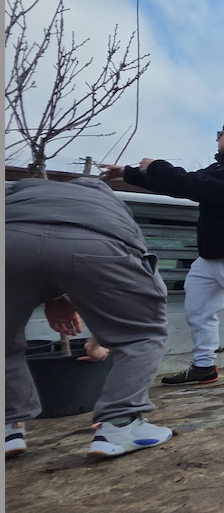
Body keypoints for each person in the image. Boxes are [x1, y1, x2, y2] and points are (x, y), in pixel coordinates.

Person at [102, 120, 224, 385]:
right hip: (212, 254)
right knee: (197, 310)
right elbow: (182, 185)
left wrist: (157, 166)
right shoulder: (222, 169)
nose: (217, 138)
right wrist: (129, 174)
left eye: (221, 134)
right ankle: (203, 366)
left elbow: (196, 185)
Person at [5, 177, 172, 458]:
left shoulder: (19, 188)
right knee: (143, 334)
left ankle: (7, 427)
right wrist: (102, 335)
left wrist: (56, 297)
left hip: (8, 242)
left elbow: (40, 245)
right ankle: (121, 423)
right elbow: (127, 293)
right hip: (98, 244)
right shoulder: (105, 199)